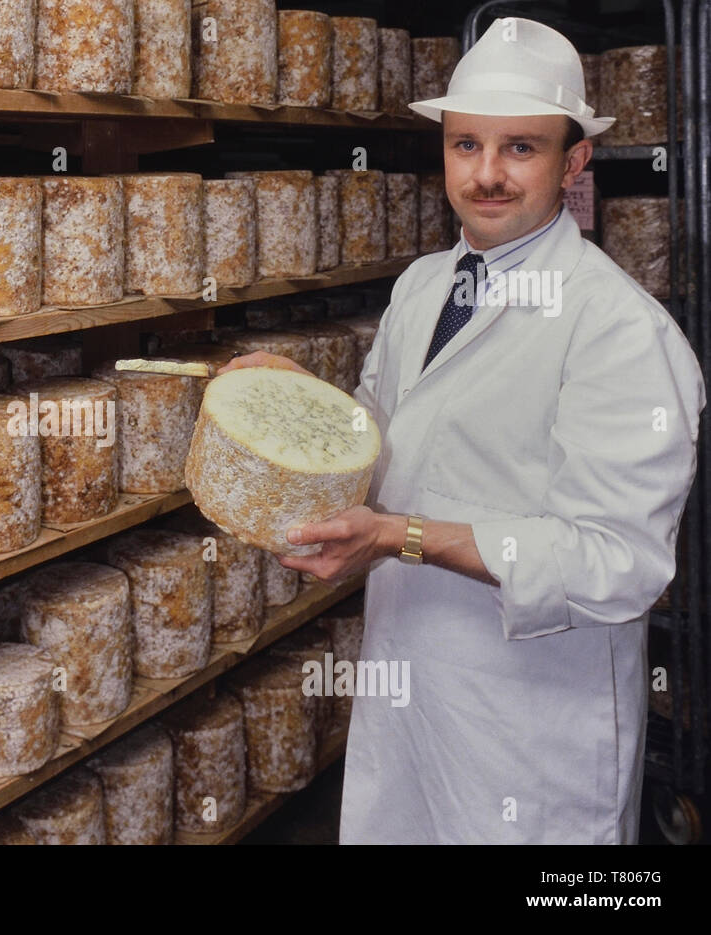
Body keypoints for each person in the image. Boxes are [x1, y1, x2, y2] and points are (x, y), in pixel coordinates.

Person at [220, 17, 704, 843]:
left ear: (573, 161)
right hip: (413, 694)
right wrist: (308, 407)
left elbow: (617, 561)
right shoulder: (422, 286)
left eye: (520, 148)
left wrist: (399, 535)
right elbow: (390, 438)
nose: (486, 175)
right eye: (464, 145)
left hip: (531, 726)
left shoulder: (618, 327)